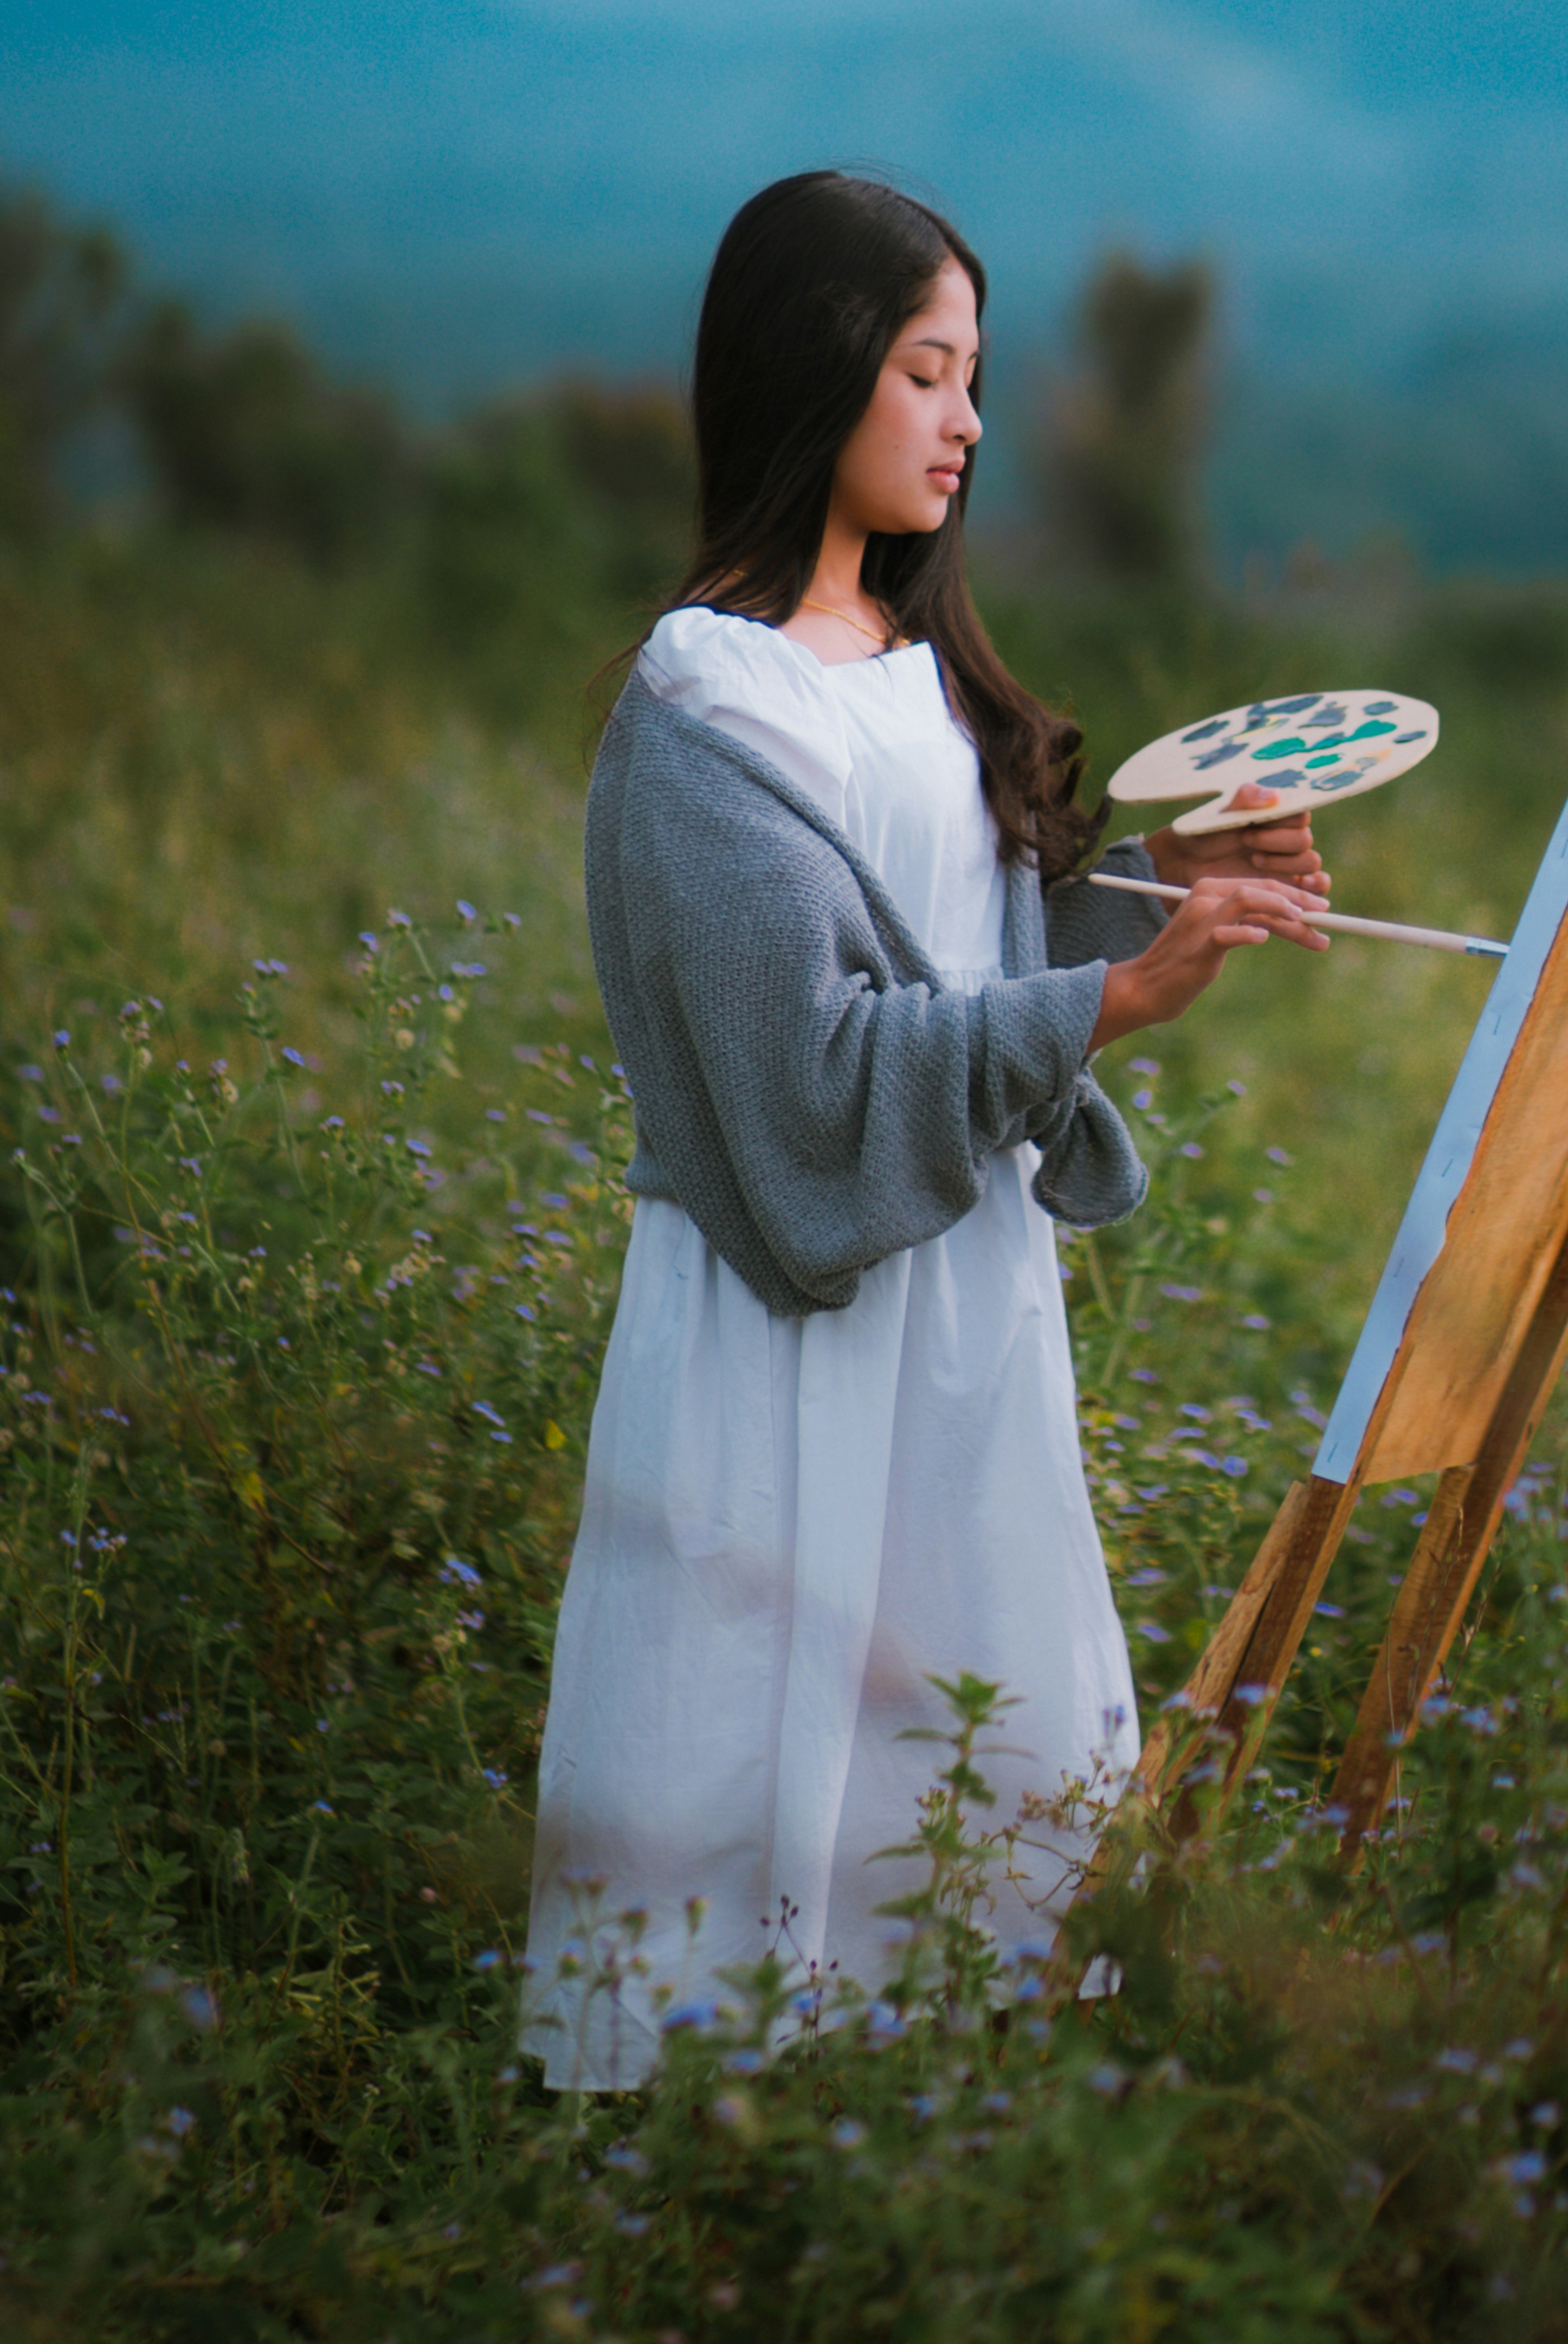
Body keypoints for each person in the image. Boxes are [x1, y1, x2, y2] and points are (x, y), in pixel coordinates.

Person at [521, 170, 1329, 2083]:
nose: (969, 422)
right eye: (927, 372)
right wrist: (1116, 1000)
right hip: (792, 1330)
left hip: (965, 1314)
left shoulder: (909, 674)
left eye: (976, 378)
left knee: (984, 1746)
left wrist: (1157, 892)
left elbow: (975, 954)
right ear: (821, 375)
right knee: (762, 1747)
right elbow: (808, 1081)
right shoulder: (704, 715)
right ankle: (701, 2182)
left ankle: (953, 2143)